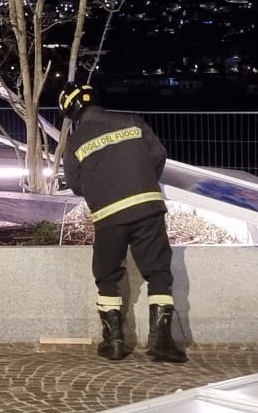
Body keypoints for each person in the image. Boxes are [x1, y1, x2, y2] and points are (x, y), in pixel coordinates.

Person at [58, 82, 186, 363]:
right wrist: (140, 181)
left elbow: (76, 184)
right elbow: (158, 154)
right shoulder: (131, 120)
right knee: (158, 272)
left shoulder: (76, 141)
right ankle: (162, 342)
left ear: (72, 111)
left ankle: (114, 342)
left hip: (109, 215)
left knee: (107, 276)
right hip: (147, 206)